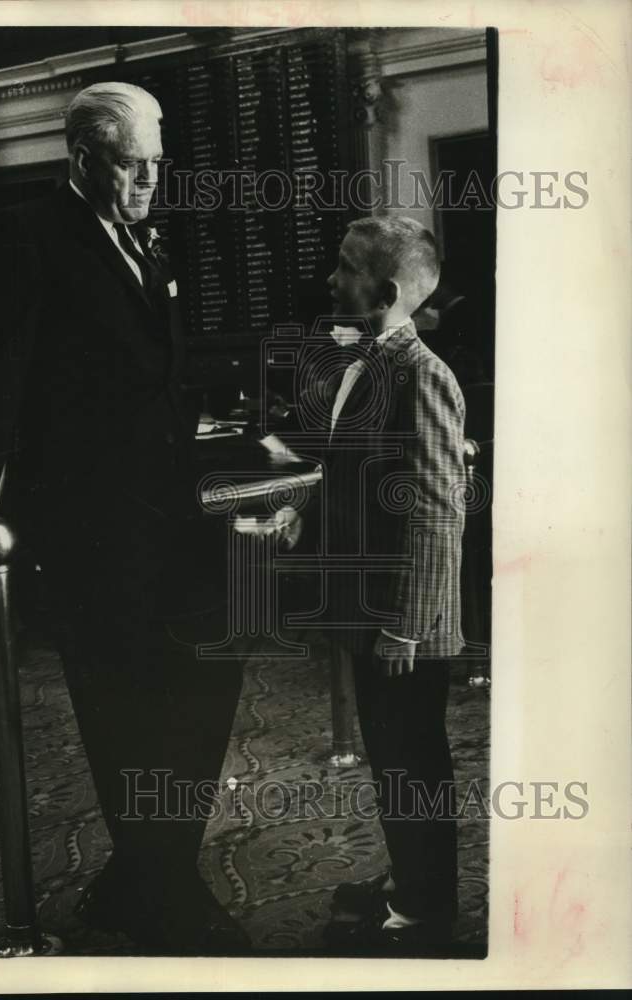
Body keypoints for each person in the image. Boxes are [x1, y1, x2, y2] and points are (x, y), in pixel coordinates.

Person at [0, 82, 247, 954]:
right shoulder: (28, 235)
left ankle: (142, 873)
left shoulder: (143, 240)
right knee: (126, 710)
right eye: (131, 164)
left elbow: (155, 385)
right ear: (84, 157)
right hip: (89, 532)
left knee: (213, 669)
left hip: (170, 515)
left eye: (156, 163)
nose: (148, 180)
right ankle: (167, 889)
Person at [318, 216, 467, 955]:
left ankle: (423, 910)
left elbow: (438, 514)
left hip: (403, 624)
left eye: (343, 269)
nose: (329, 279)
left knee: (412, 763)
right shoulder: (370, 365)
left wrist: (406, 625)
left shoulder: (422, 375)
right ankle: (410, 882)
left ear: (380, 291)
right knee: (394, 758)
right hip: (378, 616)